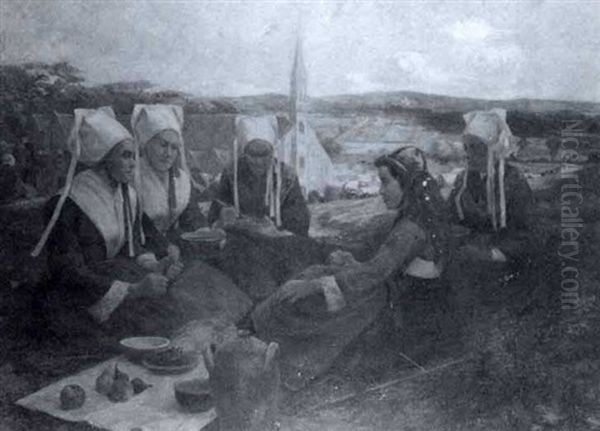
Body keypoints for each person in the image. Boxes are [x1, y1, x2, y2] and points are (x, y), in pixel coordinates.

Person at [251, 146, 448, 389]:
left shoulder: (410, 229)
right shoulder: (408, 219)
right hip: (386, 288)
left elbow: (377, 273)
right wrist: (348, 263)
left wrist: (313, 286)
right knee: (317, 273)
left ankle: (294, 361)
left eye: (386, 183)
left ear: (406, 185)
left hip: (396, 303)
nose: (381, 191)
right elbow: (381, 267)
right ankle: (271, 341)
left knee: (313, 289)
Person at [32, 107, 185, 340]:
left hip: (112, 284)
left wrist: (155, 265)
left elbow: (131, 247)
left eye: (134, 155)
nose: (134, 164)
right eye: (125, 155)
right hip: (76, 297)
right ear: (103, 160)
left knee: (172, 316)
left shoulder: (127, 195)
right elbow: (69, 272)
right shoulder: (67, 203)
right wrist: (133, 290)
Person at [131, 104, 251, 323]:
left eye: (174, 147)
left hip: (174, 248)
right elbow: (136, 226)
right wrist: (163, 250)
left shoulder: (180, 179)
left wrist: (210, 231)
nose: (168, 153)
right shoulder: (132, 179)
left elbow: (191, 217)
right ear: (146, 143)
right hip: (140, 251)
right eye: (163, 145)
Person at [446, 109, 537, 315]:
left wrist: (492, 253)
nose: (468, 154)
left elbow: (527, 234)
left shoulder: (513, 182)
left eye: (476, 148)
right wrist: (461, 240)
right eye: (466, 148)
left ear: (492, 150)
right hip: (469, 254)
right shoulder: (463, 180)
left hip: (505, 261)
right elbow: (450, 218)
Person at [207, 116, 310, 237]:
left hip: (277, 239)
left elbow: (299, 220)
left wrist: (275, 231)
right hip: (242, 237)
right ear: (243, 152)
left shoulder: (287, 176)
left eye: (264, 154)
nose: (259, 162)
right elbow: (217, 210)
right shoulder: (232, 173)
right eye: (253, 155)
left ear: (273, 152)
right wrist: (223, 214)